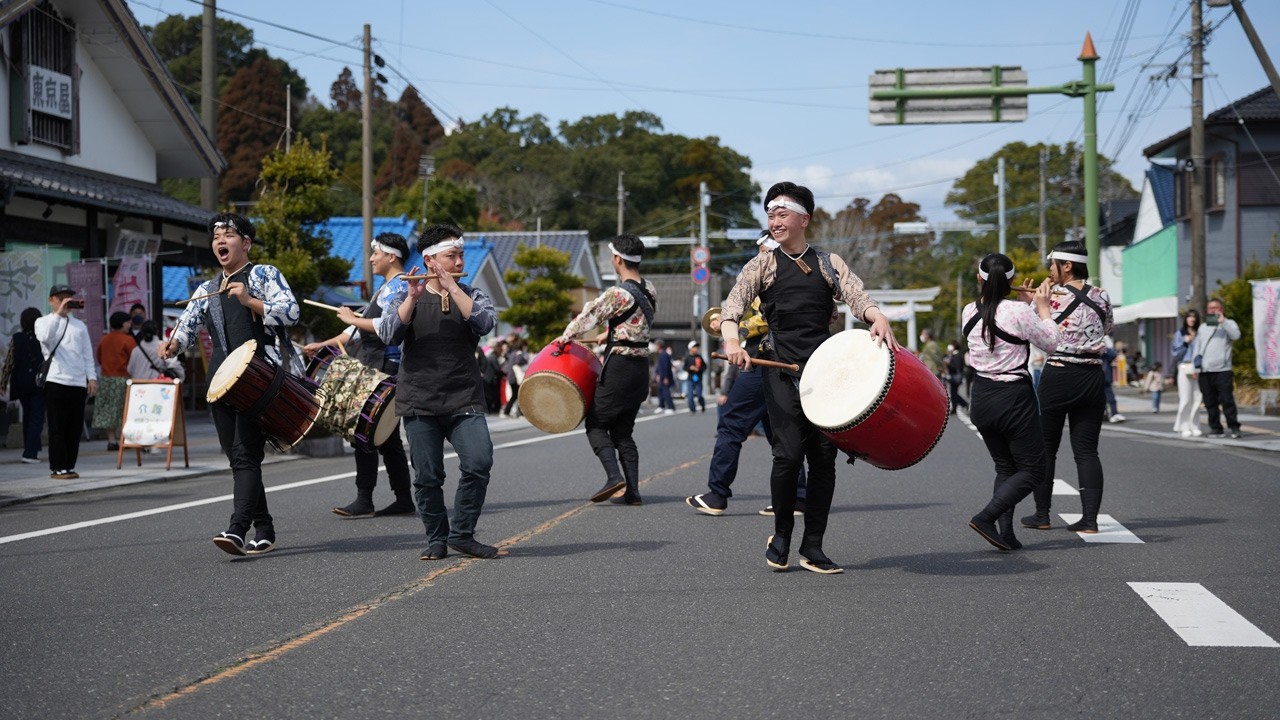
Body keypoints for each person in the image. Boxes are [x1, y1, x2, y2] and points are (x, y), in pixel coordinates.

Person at [720, 182, 899, 574]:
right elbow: (732, 306)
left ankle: (813, 546)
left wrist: (877, 316)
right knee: (786, 455)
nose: (774, 220)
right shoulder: (762, 263)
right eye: (770, 214)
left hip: (824, 371)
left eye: (782, 214)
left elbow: (857, 297)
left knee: (823, 458)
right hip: (780, 367)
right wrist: (733, 342)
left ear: (805, 219)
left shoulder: (828, 262)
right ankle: (781, 535)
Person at [160, 212, 300, 556]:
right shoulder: (207, 288)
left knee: (246, 454)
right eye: (216, 236)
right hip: (220, 382)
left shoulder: (264, 274)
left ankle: (237, 529)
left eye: (229, 235)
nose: (220, 241)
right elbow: (187, 326)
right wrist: (174, 344)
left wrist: (250, 301)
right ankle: (264, 528)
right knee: (240, 459)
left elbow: (292, 312)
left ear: (246, 243)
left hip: (259, 377)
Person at [378, 223, 504, 560]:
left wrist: (453, 288)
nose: (461, 260)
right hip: (419, 399)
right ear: (431, 260)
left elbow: (484, 324)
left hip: (464, 397)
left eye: (461, 254)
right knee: (428, 475)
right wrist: (412, 300)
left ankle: (462, 534)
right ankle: (436, 537)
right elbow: (388, 334)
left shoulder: (473, 293)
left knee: (479, 462)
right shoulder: (405, 294)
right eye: (453, 255)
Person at [687, 234, 808, 517]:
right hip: (784, 358)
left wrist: (730, 324)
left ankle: (717, 493)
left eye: (764, 251)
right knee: (781, 433)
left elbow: (766, 320)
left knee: (731, 425)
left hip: (764, 357)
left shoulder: (778, 278)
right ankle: (798, 497)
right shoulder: (796, 275)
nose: (759, 257)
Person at [304, 232, 414, 518]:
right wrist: (323, 344)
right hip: (374, 364)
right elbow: (352, 330)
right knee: (383, 435)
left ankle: (367, 499)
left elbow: (387, 326)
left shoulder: (401, 287)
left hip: (385, 367)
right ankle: (401, 498)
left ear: (391, 256)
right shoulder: (384, 288)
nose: (371, 258)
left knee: (364, 429)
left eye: (375, 253)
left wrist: (353, 319)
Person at [963, 253, 1059, 551]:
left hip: (981, 396)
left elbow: (999, 322)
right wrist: (1043, 309)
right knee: (1033, 470)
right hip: (1012, 397)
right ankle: (986, 517)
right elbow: (1051, 343)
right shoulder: (1019, 311)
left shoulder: (968, 310)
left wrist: (1029, 306)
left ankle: (1005, 534)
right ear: (1012, 282)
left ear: (979, 279)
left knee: (1005, 467)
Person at [1017, 240, 1113, 534]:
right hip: (1094, 376)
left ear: (1067, 266)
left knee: (1046, 448)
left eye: (1053, 264)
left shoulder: (1049, 297)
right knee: (1087, 451)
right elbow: (1108, 328)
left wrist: (1031, 304)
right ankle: (1090, 520)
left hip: (1059, 373)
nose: (1049, 270)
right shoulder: (1103, 295)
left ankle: (1042, 514)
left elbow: (1035, 332)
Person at [555, 233, 656, 506]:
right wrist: (608, 335)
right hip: (640, 370)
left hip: (620, 367)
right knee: (623, 431)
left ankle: (614, 478)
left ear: (617, 259)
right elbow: (633, 325)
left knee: (597, 424)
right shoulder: (650, 289)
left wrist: (565, 337)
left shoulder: (617, 293)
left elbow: (590, 315)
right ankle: (633, 492)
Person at [35, 285, 98, 480]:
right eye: (61, 298)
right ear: (51, 300)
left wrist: (92, 377)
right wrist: (58, 315)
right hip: (56, 379)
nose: (66, 302)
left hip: (78, 382)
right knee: (57, 425)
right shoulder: (43, 321)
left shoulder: (79, 325)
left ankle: (69, 466)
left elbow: (87, 353)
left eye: (69, 298)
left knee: (74, 427)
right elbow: (45, 338)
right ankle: (57, 467)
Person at [1196, 297, 1243, 438]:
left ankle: (1234, 427)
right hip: (1205, 370)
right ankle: (1216, 428)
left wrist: (1223, 322)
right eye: (1210, 308)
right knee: (1210, 402)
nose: (1213, 310)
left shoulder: (1229, 323)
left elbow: (1236, 336)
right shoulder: (1203, 327)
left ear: (1221, 309)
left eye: (1216, 307)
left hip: (1223, 370)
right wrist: (1195, 367)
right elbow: (1197, 347)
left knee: (1227, 400)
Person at [5, 307, 48, 463]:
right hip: (39, 383)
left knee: (28, 416)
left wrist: (3, 383)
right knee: (37, 417)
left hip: (21, 383)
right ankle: (30, 453)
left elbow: (9, 363)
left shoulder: (17, 338)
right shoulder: (43, 339)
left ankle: (32, 448)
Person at [92, 311, 137, 451]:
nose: (130, 325)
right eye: (128, 322)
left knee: (108, 411)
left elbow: (99, 357)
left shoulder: (104, 339)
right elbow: (134, 358)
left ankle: (111, 441)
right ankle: (125, 438)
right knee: (124, 410)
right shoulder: (128, 340)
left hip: (106, 379)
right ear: (123, 323)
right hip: (123, 378)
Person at [1170, 309, 1203, 437]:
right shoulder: (1180, 333)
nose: (1192, 319)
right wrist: (1185, 342)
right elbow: (1175, 353)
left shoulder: (1200, 333)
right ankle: (1184, 426)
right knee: (1185, 398)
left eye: (1194, 317)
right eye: (1189, 317)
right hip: (1185, 366)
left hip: (1198, 367)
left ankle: (1195, 425)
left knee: (1197, 398)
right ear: (1186, 319)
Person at [501, 338, 527, 419]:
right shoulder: (518, 354)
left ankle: (507, 411)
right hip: (516, 378)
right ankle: (520, 413)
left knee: (515, 395)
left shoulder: (512, 354)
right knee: (519, 395)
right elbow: (519, 362)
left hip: (511, 377)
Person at [945, 342, 969, 413]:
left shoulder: (957, 355)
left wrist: (949, 364)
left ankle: (961, 405)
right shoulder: (955, 355)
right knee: (953, 393)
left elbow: (957, 366)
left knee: (953, 393)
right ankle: (960, 406)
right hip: (955, 375)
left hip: (955, 376)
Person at [653, 341, 676, 414]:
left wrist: (666, 377)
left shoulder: (664, 354)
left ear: (659, 346)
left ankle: (671, 407)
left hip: (664, 377)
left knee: (666, 392)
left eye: (655, 345)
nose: (655, 347)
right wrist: (657, 374)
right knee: (660, 392)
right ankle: (661, 406)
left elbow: (666, 366)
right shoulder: (661, 354)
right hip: (661, 376)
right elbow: (659, 367)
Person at [683, 341, 707, 413]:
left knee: (699, 395)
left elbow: (705, 366)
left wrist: (699, 369)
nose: (696, 349)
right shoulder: (687, 358)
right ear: (690, 348)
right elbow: (684, 367)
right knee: (690, 396)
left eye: (697, 347)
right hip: (690, 378)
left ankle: (702, 404)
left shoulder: (699, 357)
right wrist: (690, 368)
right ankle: (692, 409)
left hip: (698, 379)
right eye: (694, 347)